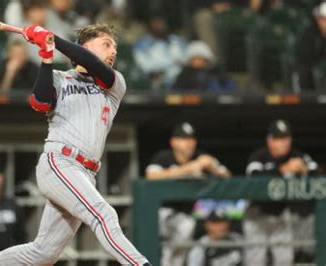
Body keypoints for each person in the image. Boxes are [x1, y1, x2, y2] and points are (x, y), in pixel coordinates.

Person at [0, 23, 150, 265]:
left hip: (86, 173)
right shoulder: (60, 78)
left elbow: (93, 64)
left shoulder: (113, 84)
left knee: (43, 254)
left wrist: (51, 38)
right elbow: (39, 102)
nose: (113, 52)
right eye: (107, 45)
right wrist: (47, 57)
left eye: (115, 48)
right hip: (60, 162)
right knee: (104, 215)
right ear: (86, 47)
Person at [145, 122, 231, 266]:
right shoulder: (164, 157)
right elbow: (151, 176)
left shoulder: (200, 156)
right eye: (184, 139)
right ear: (174, 142)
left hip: (186, 214)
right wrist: (189, 168)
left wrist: (212, 167)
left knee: (183, 240)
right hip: (161, 213)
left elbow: (226, 175)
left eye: (192, 139)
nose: (189, 143)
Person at [244, 119, 319, 266]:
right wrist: (283, 170)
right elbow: (254, 179)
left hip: (281, 215)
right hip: (257, 214)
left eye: (286, 138)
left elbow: (318, 176)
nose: (284, 142)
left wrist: (304, 170)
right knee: (256, 261)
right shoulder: (259, 156)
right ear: (270, 140)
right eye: (279, 138)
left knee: (284, 260)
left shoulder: (297, 156)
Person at [133, 16, 188, 90]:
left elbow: (184, 61)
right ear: (150, 25)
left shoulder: (177, 41)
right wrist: (157, 72)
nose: (159, 26)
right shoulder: (142, 44)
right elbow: (143, 65)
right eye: (156, 23)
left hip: (179, 80)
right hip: (154, 81)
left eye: (161, 22)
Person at [294, 1, 326, 90]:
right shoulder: (309, 36)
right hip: (309, 80)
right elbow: (303, 63)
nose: (324, 23)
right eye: (323, 19)